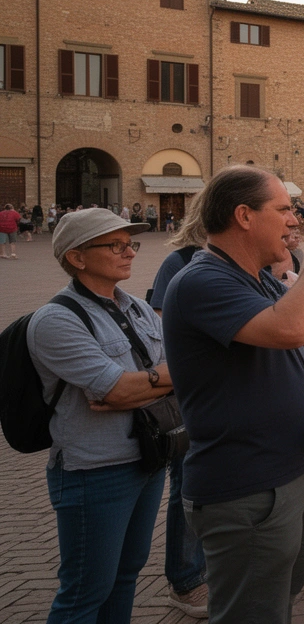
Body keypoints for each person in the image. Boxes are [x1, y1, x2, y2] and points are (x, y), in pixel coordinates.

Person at [162, 166, 304, 624]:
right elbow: (292, 327)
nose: (295, 220)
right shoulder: (203, 280)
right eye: (283, 209)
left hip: (291, 472)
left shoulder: (251, 275)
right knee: (251, 612)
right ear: (244, 216)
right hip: (247, 485)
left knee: (275, 600)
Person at [30, 208, 170, 623]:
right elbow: (118, 388)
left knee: (126, 574)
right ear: (77, 257)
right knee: (85, 591)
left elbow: (150, 380)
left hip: (148, 457)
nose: (129, 253)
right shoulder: (56, 320)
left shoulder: (139, 309)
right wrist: (152, 382)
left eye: (130, 244)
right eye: (115, 245)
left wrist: (139, 385)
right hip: (95, 470)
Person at [148, 203, 210, 618]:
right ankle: (186, 579)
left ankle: (212, 568)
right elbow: (158, 323)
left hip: (229, 393)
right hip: (191, 391)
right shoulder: (181, 261)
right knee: (188, 482)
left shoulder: (263, 260)